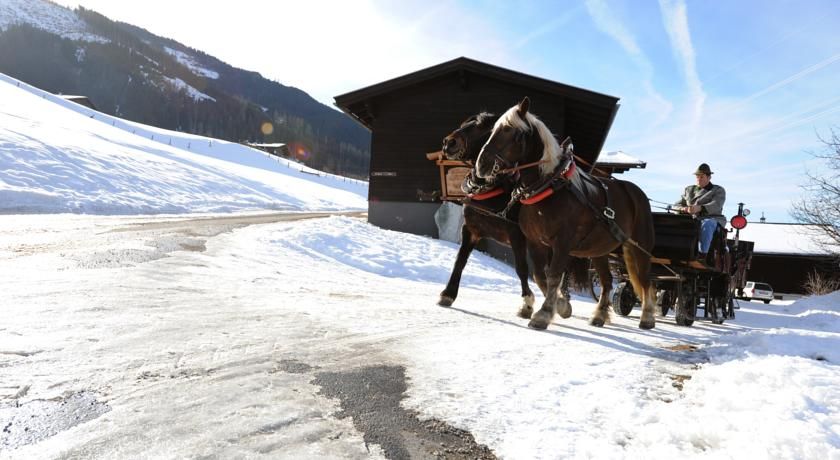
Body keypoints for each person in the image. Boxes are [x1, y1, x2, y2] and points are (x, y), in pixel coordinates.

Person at [673, 163, 726, 259]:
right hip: (691, 218)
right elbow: (676, 205)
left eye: (702, 177)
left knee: (707, 224)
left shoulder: (718, 190)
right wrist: (683, 209)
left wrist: (700, 208)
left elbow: (716, 205)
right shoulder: (689, 189)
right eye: (697, 176)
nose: (699, 179)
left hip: (711, 218)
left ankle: (702, 255)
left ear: (709, 177)